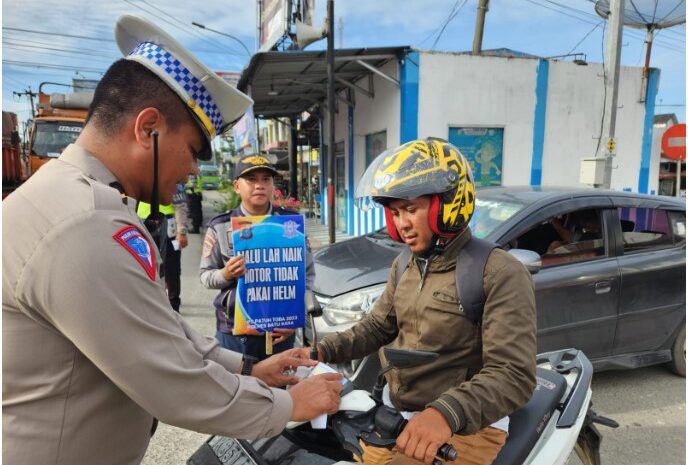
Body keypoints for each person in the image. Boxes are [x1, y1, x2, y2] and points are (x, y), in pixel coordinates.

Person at [2, 15, 342, 465]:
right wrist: (293, 405)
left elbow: (157, 325)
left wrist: (245, 367)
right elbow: (167, 376)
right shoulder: (83, 221)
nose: (191, 173)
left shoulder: (77, 201)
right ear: (148, 128)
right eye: (194, 152)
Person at [299, 138, 537, 465]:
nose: (402, 224)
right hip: (397, 413)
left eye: (411, 209)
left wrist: (445, 413)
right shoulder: (406, 263)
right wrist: (320, 351)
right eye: (395, 213)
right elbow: (379, 326)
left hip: (465, 427)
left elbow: (513, 373)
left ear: (448, 205)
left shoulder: (497, 272)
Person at [200, 154, 314, 360]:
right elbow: (205, 277)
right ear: (236, 186)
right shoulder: (220, 226)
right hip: (233, 334)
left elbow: (307, 276)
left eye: (266, 179)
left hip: (280, 335)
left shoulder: (290, 226)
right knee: (235, 390)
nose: (259, 185)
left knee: (278, 392)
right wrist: (226, 273)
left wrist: (297, 319)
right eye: (251, 179)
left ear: (272, 186)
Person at [137, 186, 188, 311]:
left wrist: (182, 231)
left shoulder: (169, 176)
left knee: (171, 269)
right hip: (143, 225)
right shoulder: (140, 177)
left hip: (168, 227)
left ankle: (173, 304)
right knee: (145, 266)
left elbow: (180, 206)